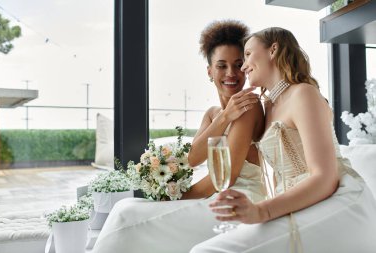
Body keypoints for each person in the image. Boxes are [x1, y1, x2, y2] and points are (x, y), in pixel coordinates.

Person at [190, 27, 376, 253]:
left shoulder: (303, 93)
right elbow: (196, 157)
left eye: (247, 55)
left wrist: (261, 212)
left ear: (273, 50)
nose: (244, 66)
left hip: (339, 200)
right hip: (297, 205)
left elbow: (325, 177)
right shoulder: (268, 106)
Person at [92, 20, 267, 253]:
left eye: (238, 65)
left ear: (246, 67)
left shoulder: (250, 106)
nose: (231, 74)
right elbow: (192, 159)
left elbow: (227, 176)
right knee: (125, 207)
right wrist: (224, 117)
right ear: (209, 71)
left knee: (127, 214)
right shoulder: (213, 114)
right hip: (212, 197)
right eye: (222, 66)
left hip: (238, 202)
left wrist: (177, 198)